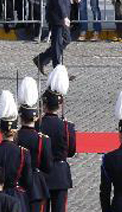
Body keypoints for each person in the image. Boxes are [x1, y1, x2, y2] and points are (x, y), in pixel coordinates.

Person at [36, 65, 76, 212]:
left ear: (44, 104)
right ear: (59, 106)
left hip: (42, 175)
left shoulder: (37, 125)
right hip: (60, 174)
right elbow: (71, 151)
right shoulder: (67, 126)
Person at [0, 91, 31, 210]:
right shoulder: (23, 153)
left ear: (0, 130)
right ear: (15, 131)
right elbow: (28, 181)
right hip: (17, 196)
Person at [33, 0, 75, 75]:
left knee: (66, 39)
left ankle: (42, 58)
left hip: (62, 12)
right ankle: (58, 72)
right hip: (57, 14)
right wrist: (63, 16)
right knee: (57, 42)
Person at [16, 77, 52, 212]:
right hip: (37, 184)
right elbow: (48, 166)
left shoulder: (15, 137)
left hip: (18, 183)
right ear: (36, 117)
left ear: (20, 117)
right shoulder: (43, 139)